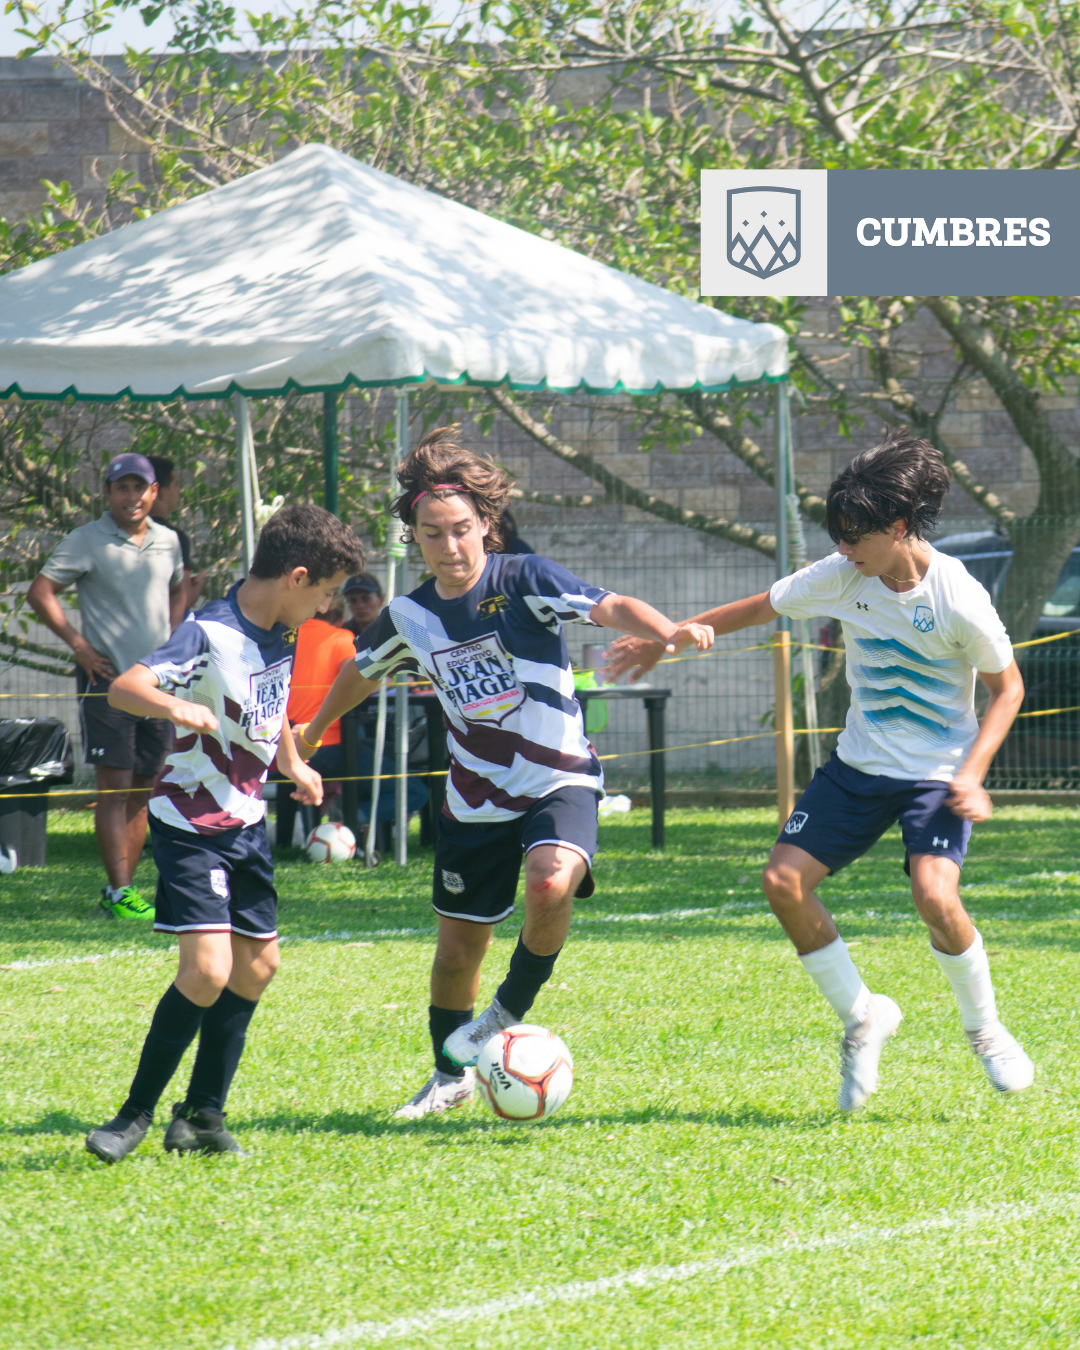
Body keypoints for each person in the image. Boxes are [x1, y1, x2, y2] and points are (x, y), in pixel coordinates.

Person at [606, 429, 1032, 1111]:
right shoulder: (840, 576)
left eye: (854, 537)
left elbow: (1007, 688)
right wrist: (670, 639)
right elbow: (751, 609)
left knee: (935, 895)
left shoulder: (960, 598)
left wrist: (973, 772)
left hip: (935, 774)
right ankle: (864, 1015)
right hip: (858, 767)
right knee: (782, 882)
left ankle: (985, 1029)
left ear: (898, 528)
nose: (842, 549)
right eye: (836, 536)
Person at [296, 426, 714, 1119]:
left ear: (486, 525)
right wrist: (309, 735)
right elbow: (356, 673)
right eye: (432, 534)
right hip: (474, 798)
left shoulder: (525, 577)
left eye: (461, 529)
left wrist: (666, 630)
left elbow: (610, 606)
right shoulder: (409, 614)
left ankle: (500, 1018)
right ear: (416, 539)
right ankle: (447, 1074)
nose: (450, 546)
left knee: (552, 880)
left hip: (560, 778)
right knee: (459, 949)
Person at [83, 504, 364, 1164]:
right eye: (325, 594)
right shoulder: (208, 632)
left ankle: (202, 1114)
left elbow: (269, 718)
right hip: (191, 825)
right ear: (297, 577)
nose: (326, 608)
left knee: (258, 966)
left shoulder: (282, 634)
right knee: (207, 972)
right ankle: (132, 1116)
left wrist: (294, 764)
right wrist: (173, 703)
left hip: (246, 825)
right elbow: (126, 687)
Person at [28, 452, 185, 921]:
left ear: (154, 492)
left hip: (157, 684)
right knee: (114, 788)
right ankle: (120, 894)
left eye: (140, 488)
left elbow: (178, 590)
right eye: (122, 487)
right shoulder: (86, 539)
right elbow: (40, 591)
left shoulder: (169, 541)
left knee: (143, 787)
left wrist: (174, 645)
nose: (132, 496)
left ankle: (126, 892)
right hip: (108, 682)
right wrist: (77, 643)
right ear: (108, 493)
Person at [148, 455, 206, 614]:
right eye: (176, 484)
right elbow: (185, 599)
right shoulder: (174, 538)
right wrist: (200, 582)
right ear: (160, 492)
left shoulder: (126, 532)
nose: (179, 490)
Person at [341, 573, 384, 637]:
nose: (360, 606)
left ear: (381, 599)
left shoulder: (392, 631)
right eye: (353, 600)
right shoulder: (341, 633)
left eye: (366, 599)